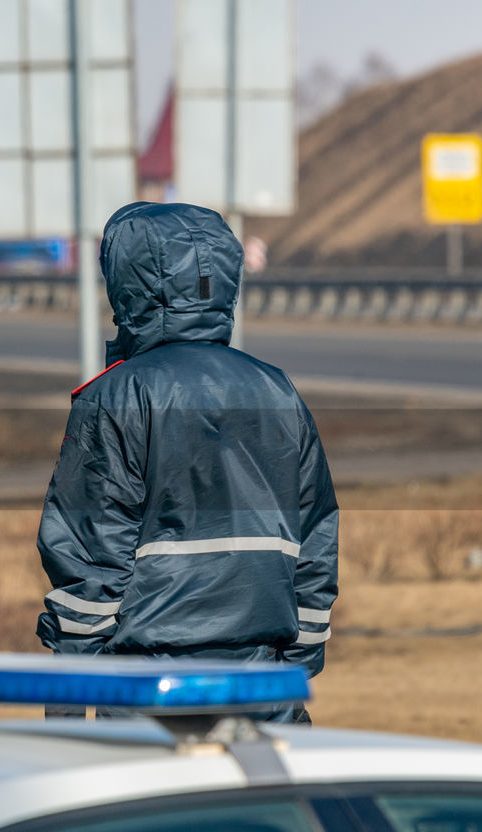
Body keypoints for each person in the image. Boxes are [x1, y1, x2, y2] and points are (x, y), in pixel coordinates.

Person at [37, 203, 337, 721]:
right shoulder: (277, 389)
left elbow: (88, 552)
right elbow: (316, 532)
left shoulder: (116, 396)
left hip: (147, 688)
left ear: (127, 284)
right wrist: (300, 658)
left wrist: (69, 691)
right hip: (264, 681)